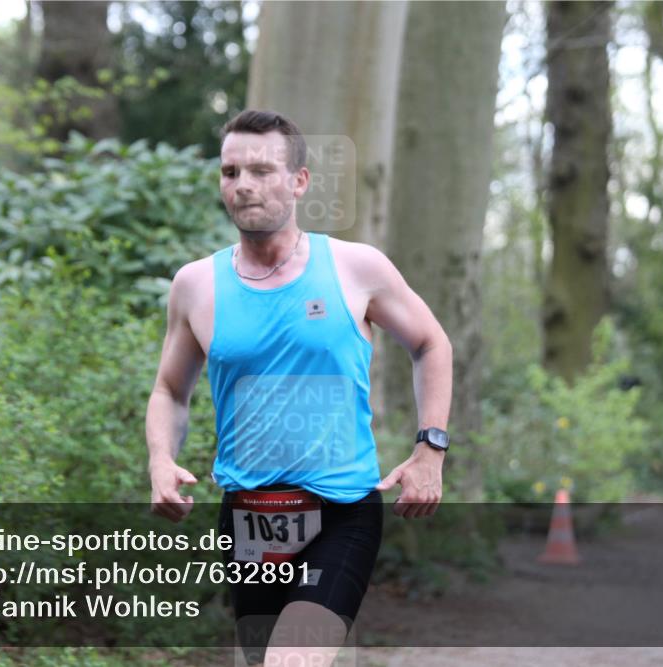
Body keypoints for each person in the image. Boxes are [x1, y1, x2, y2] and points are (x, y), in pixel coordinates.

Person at [145, 109, 453, 667]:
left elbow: (431, 344)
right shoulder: (195, 285)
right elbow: (170, 389)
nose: (243, 185)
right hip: (247, 517)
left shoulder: (356, 268)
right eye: (231, 172)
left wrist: (430, 448)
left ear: (299, 181)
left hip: (341, 512)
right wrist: (161, 459)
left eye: (261, 171)